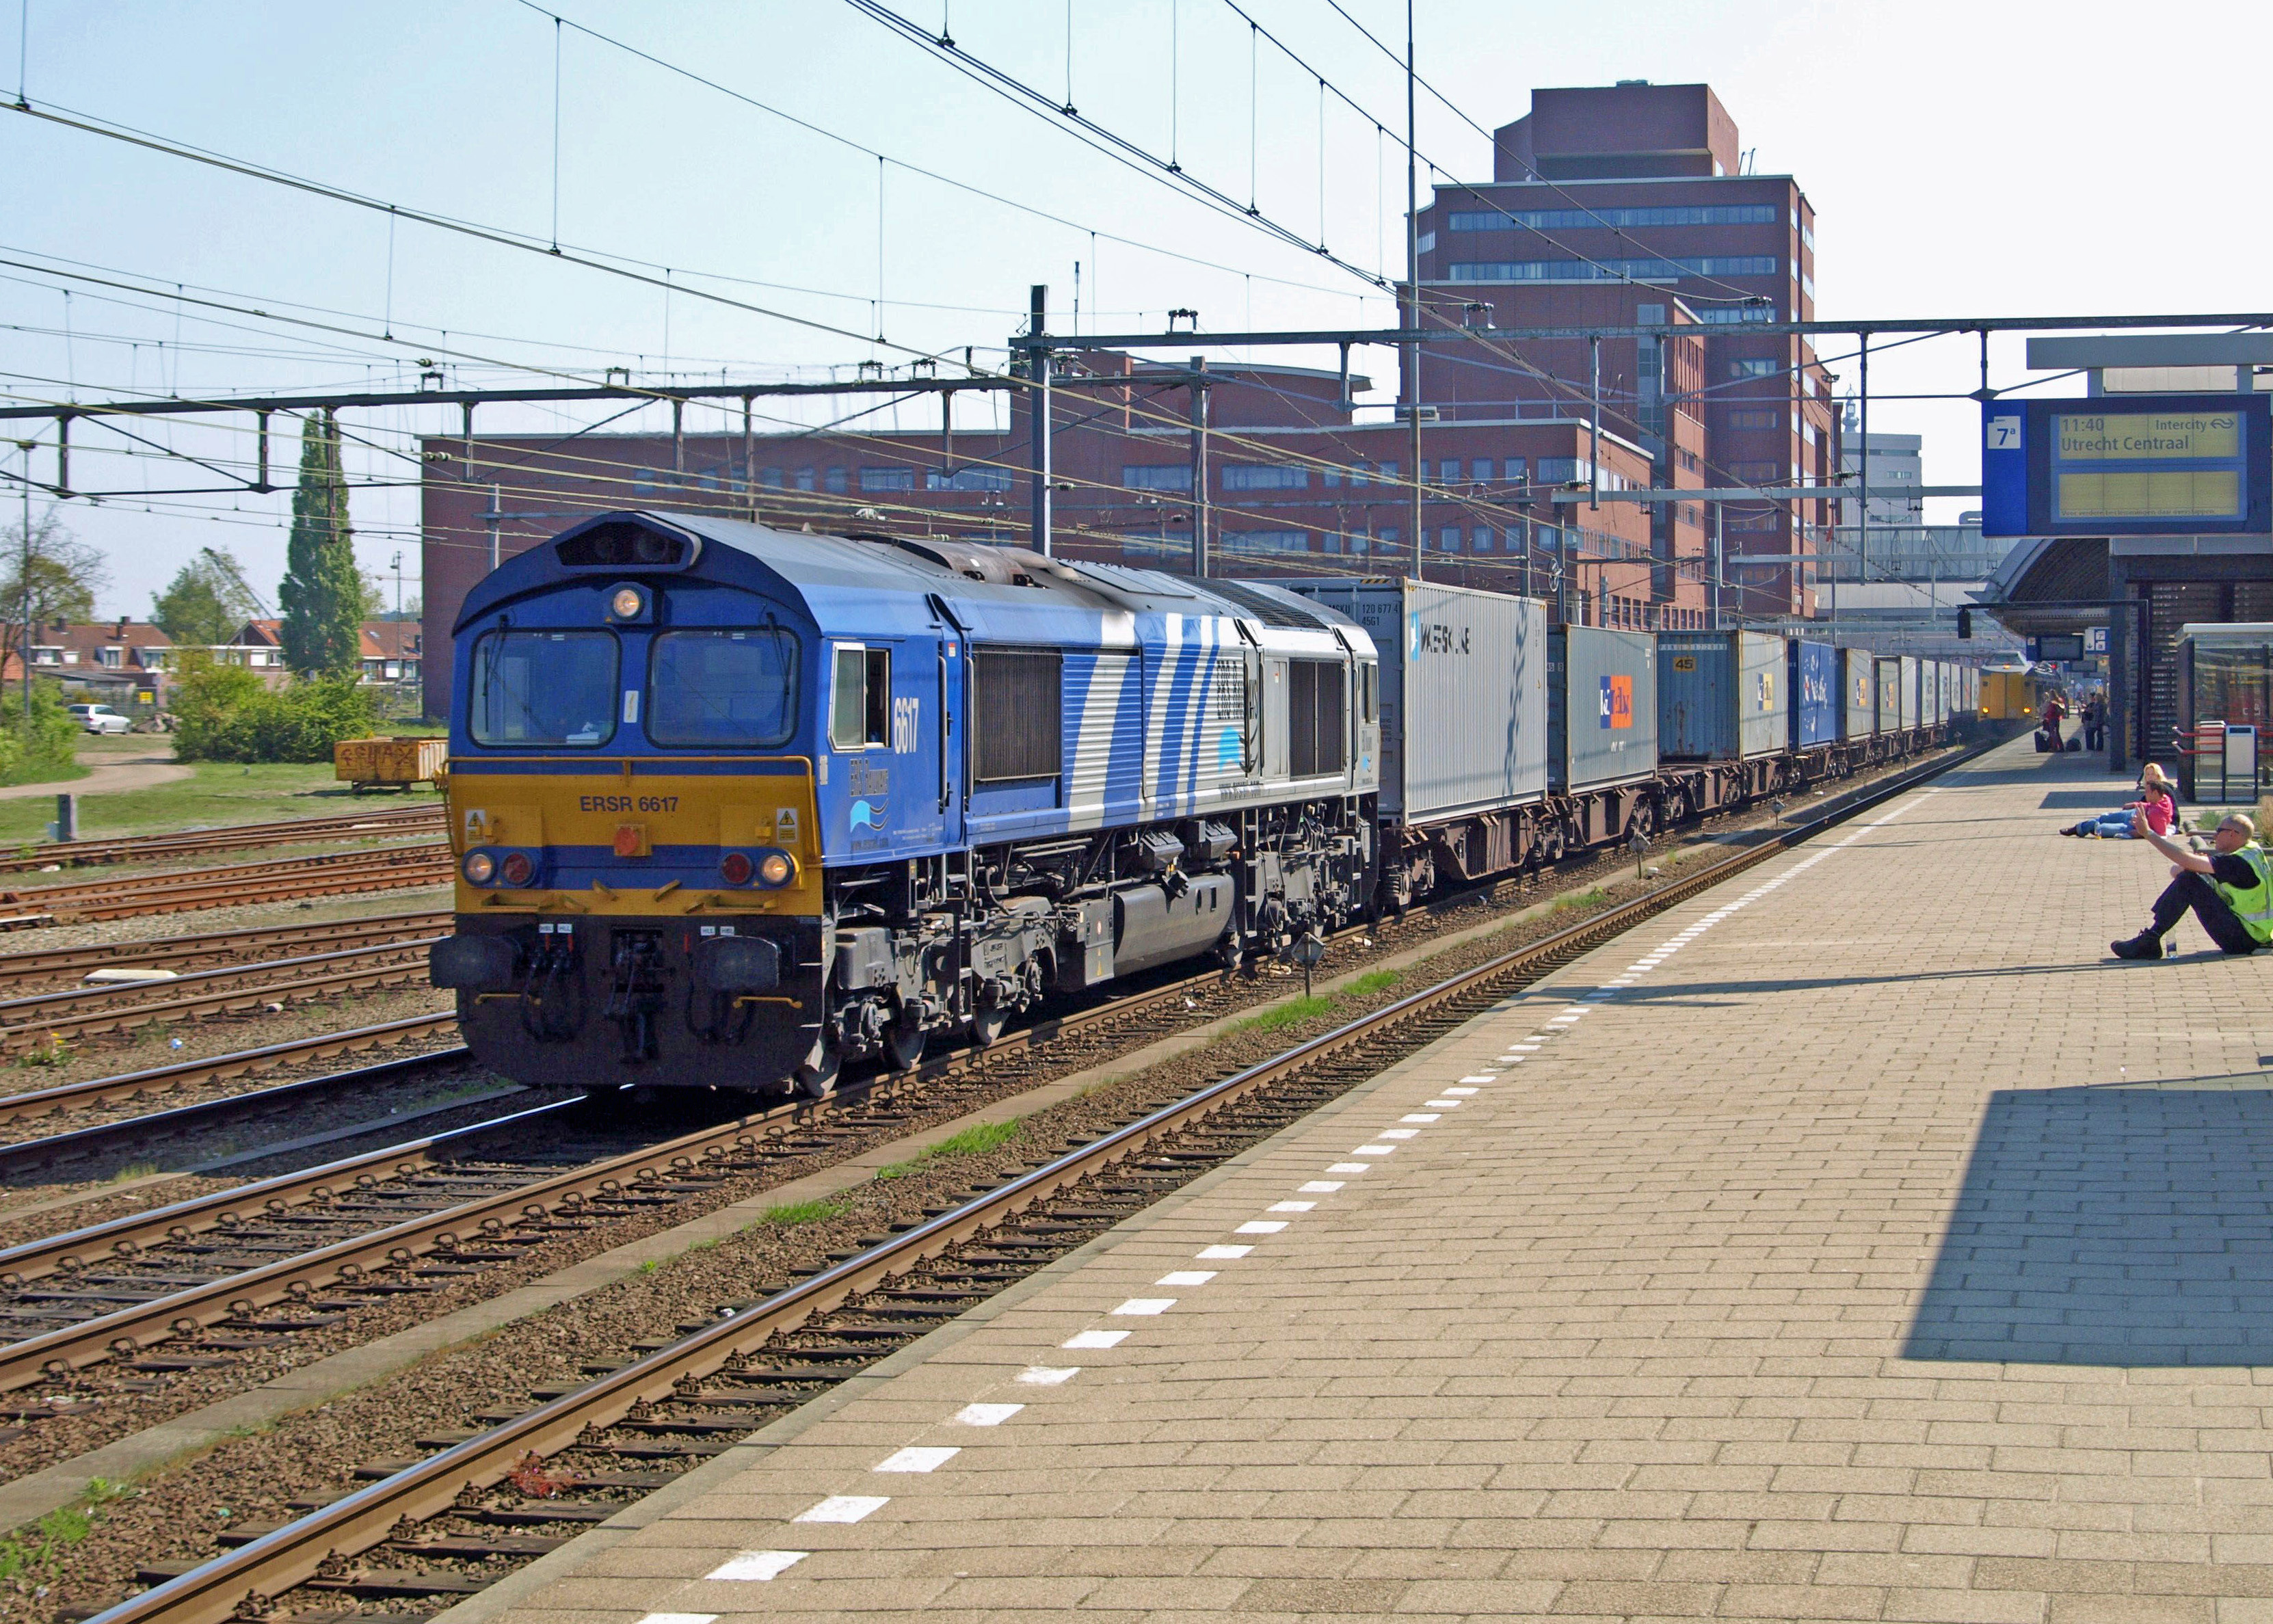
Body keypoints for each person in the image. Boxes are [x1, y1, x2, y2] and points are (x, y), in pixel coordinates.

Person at [2110, 809, 2273, 959]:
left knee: (2189, 881)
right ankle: (2151, 939)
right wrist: (2193, 866)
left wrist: (2148, 833)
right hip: (2253, 935)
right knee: (2188, 880)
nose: (2215, 836)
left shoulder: (2237, 863)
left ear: (2232, 834)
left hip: (2243, 939)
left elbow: (2182, 861)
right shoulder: (2251, 851)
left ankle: (2150, 940)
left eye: (2219, 831)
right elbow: (2178, 871)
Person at [2061, 763, 2176, 838]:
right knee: (2104, 817)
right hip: (2135, 813)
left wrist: (2140, 832)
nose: (2150, 777)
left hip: (2134, 825)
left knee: (2101, 827)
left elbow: (2160, 833)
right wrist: (2136, 805)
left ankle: (2088, 827)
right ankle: (2079, 828)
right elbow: (2150, 805)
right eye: (2147, 775)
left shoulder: (2164, 794)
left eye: (2152, 774)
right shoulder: (2161, 798)